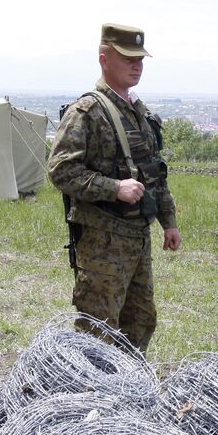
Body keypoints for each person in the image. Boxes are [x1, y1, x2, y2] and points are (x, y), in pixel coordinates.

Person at [47, 23, 181, 353]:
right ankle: (94, 400)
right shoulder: (88, 113)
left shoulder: (138, 112)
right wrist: (113, 188)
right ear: (104, 59)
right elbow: (61, 170)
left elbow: (154, 173)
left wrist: (169, 222)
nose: (137, 65)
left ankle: (129, 393)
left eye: (140, 59)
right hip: (102, 240)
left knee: (140, 320)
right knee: (99, 329)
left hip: (137, 237)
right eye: (127, 59)